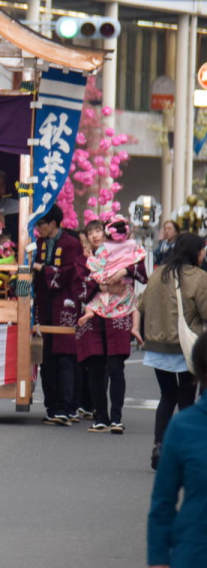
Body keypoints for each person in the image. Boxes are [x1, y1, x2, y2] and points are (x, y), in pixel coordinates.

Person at [139, 233, 207, 469]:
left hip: (157, 345)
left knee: (167, 396)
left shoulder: (159, 273)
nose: (203, 253)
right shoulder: (199, 277)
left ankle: (159, 446)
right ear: (194, 251)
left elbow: (143, 304)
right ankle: (186, 449)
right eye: (202, 249)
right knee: (186, 398)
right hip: (186, 347)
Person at [76, 216, 148, 434]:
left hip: (120, 312)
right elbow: (80, 286)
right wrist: (103, 287)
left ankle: (116, 417)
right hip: (95, 314)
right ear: (87, 238)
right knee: (96, 368)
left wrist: (125, 271)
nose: (96, 235)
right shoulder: (85, 259)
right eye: (91, 233)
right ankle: (101, 416)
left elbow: (143, 273)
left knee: (116, 367)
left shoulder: (130, 251)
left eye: (98, 231)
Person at [147, 332, 207, 568]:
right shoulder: (184, 427)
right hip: (195, 553)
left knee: (168, 395)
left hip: (192, 549)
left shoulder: (183, 426)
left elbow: (162, 503)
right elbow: (163, 501)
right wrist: (159, 560)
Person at [32, 206, 89, 426]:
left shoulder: (71, 244)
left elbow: (67, 274)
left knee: (65, 355)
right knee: (46, 357)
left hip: (65, 303)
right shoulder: (39, 244)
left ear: (53, 224)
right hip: (45, 303)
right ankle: (52, 406)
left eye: (41, 224)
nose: (38, 229)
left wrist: (40, 268)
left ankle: (68, 406)